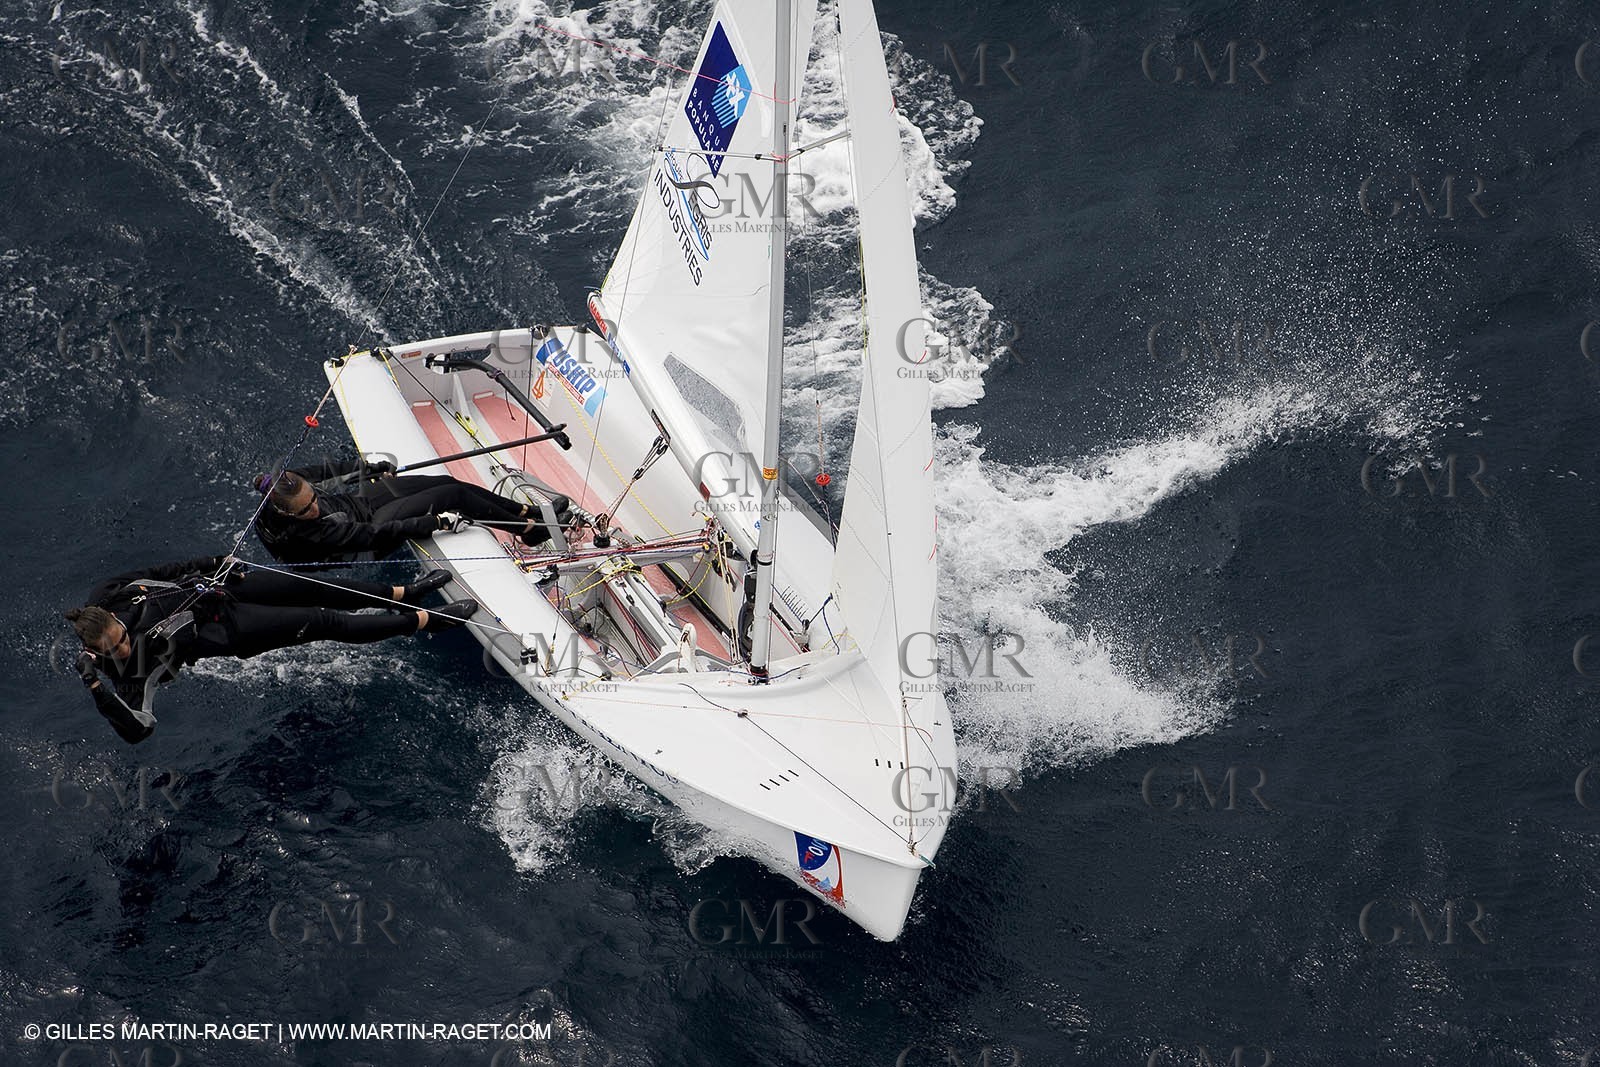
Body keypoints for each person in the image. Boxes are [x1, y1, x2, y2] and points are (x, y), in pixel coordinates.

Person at [65, 554, 479, 744]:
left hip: (225, 586)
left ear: (112, 618)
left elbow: (158, 571)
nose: (123, 647)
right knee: (325, 620)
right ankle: (429, 621)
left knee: (315, 587)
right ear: (96, 652)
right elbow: (139, 729)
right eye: (114, 650)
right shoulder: (130, 671)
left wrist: (214, 563)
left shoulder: (107, 594)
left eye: (120, 636)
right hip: (232, 630)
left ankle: (404, 593)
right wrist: (98, 692)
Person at [253, 456, 569, 565]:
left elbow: (327, 471)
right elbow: (377, 534)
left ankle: (528, 512)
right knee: (453, 495)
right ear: (288, 514)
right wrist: (434, 522)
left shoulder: (286, 486)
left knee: (446, 480)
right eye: (307, 508)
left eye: (314, 498)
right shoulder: (310, 532)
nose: (316, 506)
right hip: (368, 536)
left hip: (357, 505)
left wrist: (368, 468)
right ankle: (532, 532)